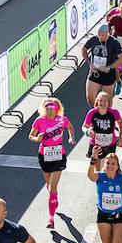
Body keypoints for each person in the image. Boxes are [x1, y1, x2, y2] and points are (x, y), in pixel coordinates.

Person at [30, 98, 75, 228]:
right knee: (49, 186)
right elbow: (30, 135)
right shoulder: (39, 120)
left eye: (52, 110)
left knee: (52, 188)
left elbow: (70, 126)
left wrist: (71, 136)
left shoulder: (61, 119)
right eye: (47, 109)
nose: (49, 112)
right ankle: (54, 200)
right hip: (44, 155)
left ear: (57, 110)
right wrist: (36, 138)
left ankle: (51, 218)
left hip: (58, 155)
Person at [83, 23, 122, 106]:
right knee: (90, 98)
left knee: (107, 101)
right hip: (95, 73)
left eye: (102, 35)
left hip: (108, 75)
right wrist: (89, 62)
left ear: (107, 33)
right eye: (98, 35)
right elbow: (83, 50)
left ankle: (107, 116)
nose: (100, 37)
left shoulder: (114, 42)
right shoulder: (93, 39)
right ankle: (95, 114)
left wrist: (109, 67)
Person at [83, 92, 122, 169]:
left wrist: (120, 136)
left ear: (108, 102)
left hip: (110, 144)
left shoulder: (114, 112)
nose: (103, 103)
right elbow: (84, 126)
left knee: (109, 166)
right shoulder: (92, 113)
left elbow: (120, 123)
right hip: (96, 144)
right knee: (97, 167)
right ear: (97, 102)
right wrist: (87, 132)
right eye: (100, 101)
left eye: (105, 101)